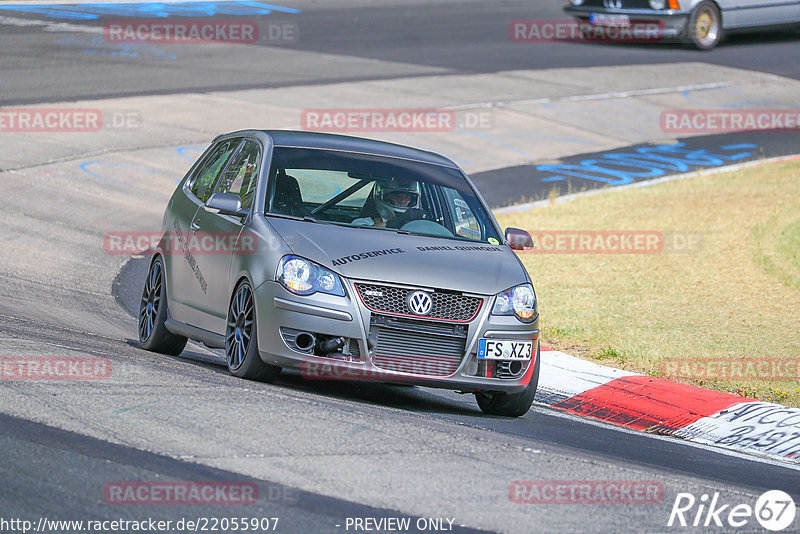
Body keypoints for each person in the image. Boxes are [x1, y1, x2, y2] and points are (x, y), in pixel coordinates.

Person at [352, 178, 424, 228]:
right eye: (398, 196)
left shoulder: (416, 225)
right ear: (385, 197)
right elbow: (360, 235)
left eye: (408, 196)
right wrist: (393, 224)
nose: (403, 201)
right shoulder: (364, 222)